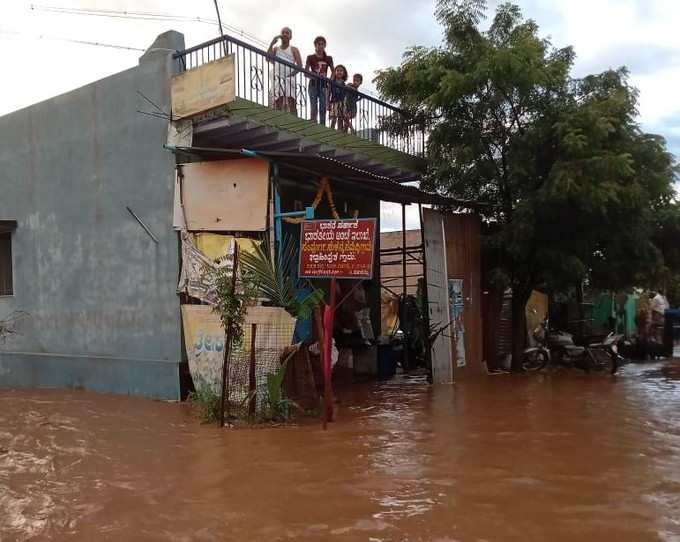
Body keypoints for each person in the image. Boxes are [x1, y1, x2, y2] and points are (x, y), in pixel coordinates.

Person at [267, 27, 302, 115]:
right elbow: (268, 59)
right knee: (278, 100)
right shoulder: (276, 49)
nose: (285, 34)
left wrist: (290, 75)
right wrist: (272, 43)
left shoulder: (294, 49)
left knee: (291, 101)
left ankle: (295, 122)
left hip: (289, 78)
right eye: (283, 32)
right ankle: (278, 119)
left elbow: (300, 66)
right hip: (278, 77)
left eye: (287, 33)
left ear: (290, 36)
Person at [305, 36, 334, 125]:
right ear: (315, 45)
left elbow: (333, 72)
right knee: (313, 105)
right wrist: (313, 75)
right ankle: (313, 122)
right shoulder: (310, 57)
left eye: (322, 44)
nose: (320, 46)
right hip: (313, 84)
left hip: (324, 85)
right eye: (319, 44)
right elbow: (305, 72)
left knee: (323, 106)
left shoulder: (328, 58)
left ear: (325, 45)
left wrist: (330, 81)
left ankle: (322, 125)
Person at [328, 65, 348, 131]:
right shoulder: (332, 82)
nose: (339, 72)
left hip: (342, 103)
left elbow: (345, 95)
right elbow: (328, 93)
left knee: (340, 119)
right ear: (335, 72)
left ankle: (339, 132)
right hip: (334, 102)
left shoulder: (344, 84)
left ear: (344, 73)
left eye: (341, 71)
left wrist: (345, 105)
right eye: (337, 70)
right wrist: (327, 103)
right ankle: (331, 131)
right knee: (334, 118)